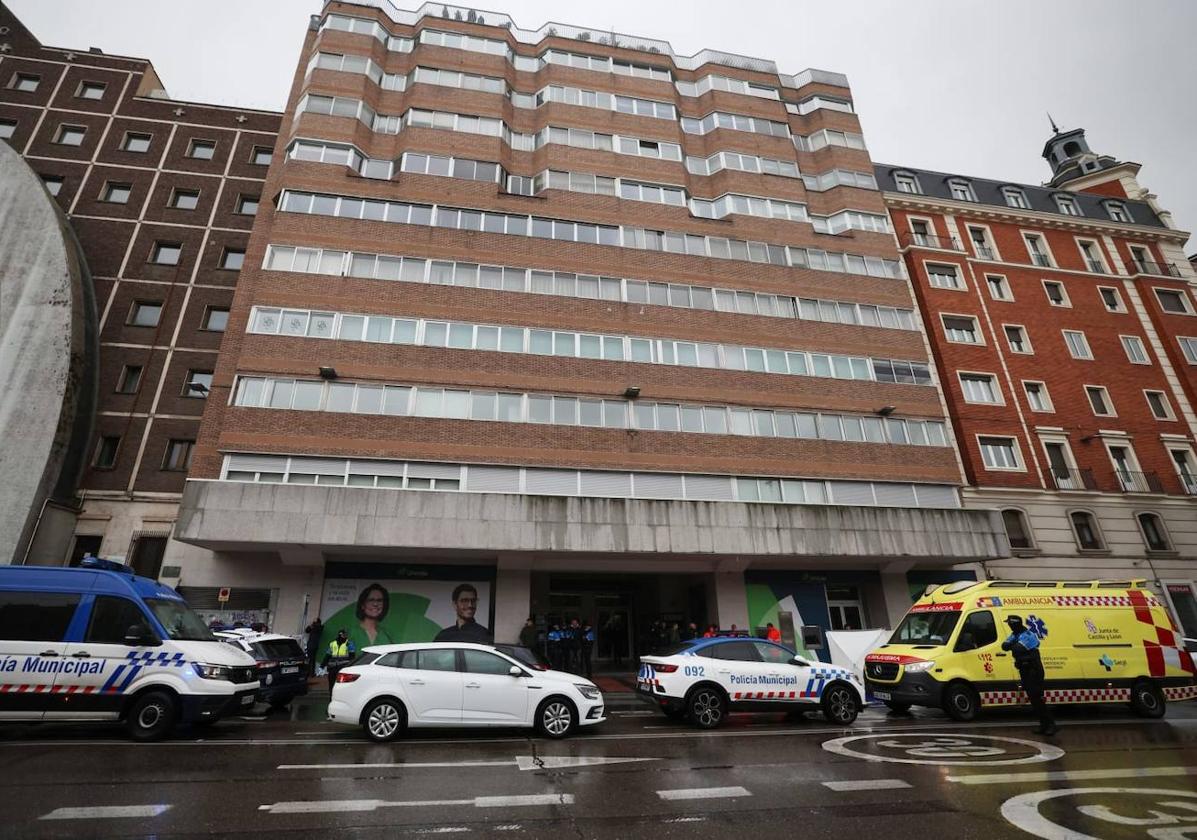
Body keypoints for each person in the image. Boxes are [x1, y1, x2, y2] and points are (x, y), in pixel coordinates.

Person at [1002, 615, 1057, 736]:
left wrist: (1012, 645)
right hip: (1024, 670)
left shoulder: (1027, 635)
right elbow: (1004, 646)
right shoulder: (1015, 635)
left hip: (1033, 670)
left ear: (1014, 624)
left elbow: (1017, 649)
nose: (1008, 625)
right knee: (1033, 699)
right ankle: (1043, 725)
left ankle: (1051, 725)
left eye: (1010, 623)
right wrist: (1012, 645)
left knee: (1037, 699)